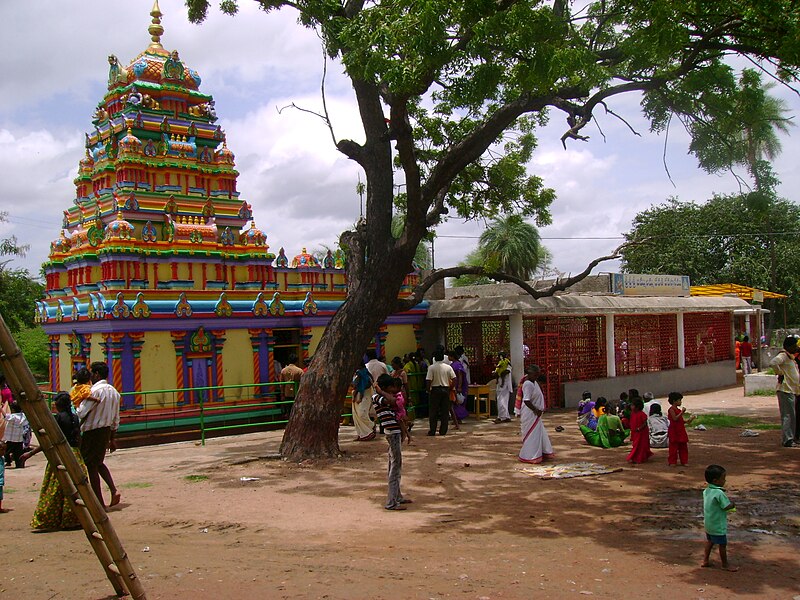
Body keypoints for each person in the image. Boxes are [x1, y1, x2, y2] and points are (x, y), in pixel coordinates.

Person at [30, 392, 86, 530]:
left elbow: (49, 439)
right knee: (74, 488)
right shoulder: (74, 418)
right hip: (75, 455)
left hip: (61, 455)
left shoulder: (58, 418)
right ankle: (71, 518)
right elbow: (78, 439)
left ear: (58, 405)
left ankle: (49, 519)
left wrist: (30, 453)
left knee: (55, 488)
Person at [77, 362, 121, 509]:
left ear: (96, 374)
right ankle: (113, 490)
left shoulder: (94, 391)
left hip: (92, 431)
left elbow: (81, 413)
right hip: (106, 430)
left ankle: (99, 503)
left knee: (91, 465)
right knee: (98, 462)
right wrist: (112, 438)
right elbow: (116, 418)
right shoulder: (114, 392)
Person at [372, 374, 411, 511]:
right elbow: (393, 402)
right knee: (396, 466)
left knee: (393, 463)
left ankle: (397, 496)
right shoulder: (378, 397)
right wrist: (380, 391)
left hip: (394, 432)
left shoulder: (381, 396)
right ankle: (391, 502)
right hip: (392, 433)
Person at [702, 465, 738, 571]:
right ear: (716, 480)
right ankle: (725, 564)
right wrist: (732, 505)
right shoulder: (719, 493)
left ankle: (705, 560)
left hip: (709, 523)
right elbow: (725, 506)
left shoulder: (707, 490)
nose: (725, 480)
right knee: (722, 544)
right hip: (718, 524)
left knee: (710, 542)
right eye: (723, 478)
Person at [518, 365, 555, 464]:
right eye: (535, 374)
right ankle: (530, 455)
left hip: (536, 413)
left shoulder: (535, 383)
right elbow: (526, 400)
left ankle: (543, 452)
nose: (536, 376)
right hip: (530, 413)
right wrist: (536, 410)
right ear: (530, 374)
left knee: (538, 433)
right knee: (532, 434)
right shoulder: (528, 384)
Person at [769, 335, 799, 447]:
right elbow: (773, 363)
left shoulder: (790, 357)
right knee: (788, 415)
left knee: (791, 415)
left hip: (790, 390)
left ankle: (790, 438)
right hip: (785, 390)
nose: (796, 347)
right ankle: (788, 439)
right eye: (794, 346)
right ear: (789, 346)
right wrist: (780, 373)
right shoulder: (783, 356)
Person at [425, 349, 455, 436]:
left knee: (433, 411)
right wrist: (451, 387)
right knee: (445, 411)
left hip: (435, 390)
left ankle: (433, 430)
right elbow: (454, 378)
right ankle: (443, 431)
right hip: (445, 389)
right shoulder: (448, 367)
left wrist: (428, 390)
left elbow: (428, 380)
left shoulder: (431, 367)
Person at [667, 391, 696, 466]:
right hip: (674, 431)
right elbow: (675, 418)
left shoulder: (678, 410)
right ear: (674, 401)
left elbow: (681, 421)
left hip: (680, 430)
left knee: (683, 447)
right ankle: (672, 461)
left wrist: (690, 419)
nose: (680, 402)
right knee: (673, 448)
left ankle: (684, 461)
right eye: (679, 400)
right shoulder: (671, 410)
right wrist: (682, 412)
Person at [351, 361, 375, 441]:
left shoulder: (363, 374)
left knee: (361, 414)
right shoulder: (361, 373)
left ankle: (370, 428)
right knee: (356, 415)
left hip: (364, 395)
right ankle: (362, 434)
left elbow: (356, 384)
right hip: (357, 394)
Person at [626, 397, 653, 463]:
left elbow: (644, 423)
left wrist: (639, 428)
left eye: (633, 405)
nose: (631, 406)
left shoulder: (642, 414)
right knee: (636, 445)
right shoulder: (632, 413)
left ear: (637, 407)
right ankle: (636, 457)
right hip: (635, 432)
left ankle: (640, 458)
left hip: (641, 432)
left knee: (641, 446)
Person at [3, 402, 28, 469]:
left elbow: (5, 416)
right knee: (18, 453)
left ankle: (8, 461)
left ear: (13, 410)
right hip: (19, 438)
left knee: (6, 451)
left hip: (11, 438)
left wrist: (1, 409)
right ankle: (19, 464)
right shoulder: (23, 416)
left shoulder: (13, 416)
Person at [448, 349, 469, 423]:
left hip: (459, 386)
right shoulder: (452, 364)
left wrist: (459, 386)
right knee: (454, 402)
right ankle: (457, 418)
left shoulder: (457, 364)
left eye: (449, 356)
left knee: (458, 402)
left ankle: (459, 417)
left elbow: (460, 375)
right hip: (454, 385)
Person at [493, 352, 513, 423]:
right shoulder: (500, 364)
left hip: (505, 385)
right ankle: (506, 416)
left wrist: (500, 372)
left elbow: (507, 371)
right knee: (501, 401)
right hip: (500, 384)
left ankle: (501, 417)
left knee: (502, 401)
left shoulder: (506, 363)